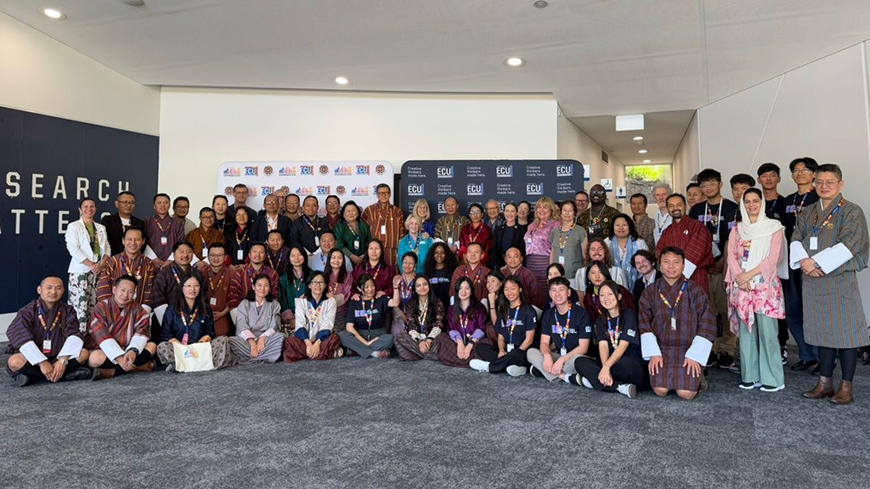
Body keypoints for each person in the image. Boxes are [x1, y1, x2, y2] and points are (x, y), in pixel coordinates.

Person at [792, 163, 869, 405]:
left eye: (830, 182)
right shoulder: (809, 210)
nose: (824, 186)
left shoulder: (851, 211)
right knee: (822, 332)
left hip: (838, 280)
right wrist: (804, 261)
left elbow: (851, 244)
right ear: (814, 184)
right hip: (813, 282)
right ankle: (825, 382)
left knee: (845, 334)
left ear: (840, 184)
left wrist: (816, 264)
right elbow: (796, 236)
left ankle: (846, 386)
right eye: (820, 182)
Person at [726, 188, 787, 392]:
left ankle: (773, 378)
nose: (752, 205)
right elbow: (731, 256)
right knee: (746, 332)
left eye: (756, 201)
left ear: (762, 203)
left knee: (768, 334)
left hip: (764, 286)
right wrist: (739, 278)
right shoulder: (738, 229)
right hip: (741, 285)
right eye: (748, 202)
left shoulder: (774, 227)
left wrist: (749, 274)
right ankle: (750, 376)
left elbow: (774, 258)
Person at [639, 247, 717, 400]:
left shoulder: (696, 291)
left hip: (689, 350)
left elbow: (708, 323)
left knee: (686, 394)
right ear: (660, 265)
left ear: (683, 266)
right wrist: (653, 353)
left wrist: (695, 355)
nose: (671, 266)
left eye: (676, 262)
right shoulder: (650, 291)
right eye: (666, 262)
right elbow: (643, 323)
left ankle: (699, 376)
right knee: (660, 390)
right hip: (661, 350)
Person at [689, 169, 739, 369]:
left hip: (726, 267)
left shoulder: (732, 208)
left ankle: (727, 349)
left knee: (727, 310)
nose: (708, 188)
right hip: (702, 268)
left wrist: (722, 264)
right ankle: (707, 348)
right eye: (704, 185)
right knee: (704, 310)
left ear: (720, 184)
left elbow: (735, 241)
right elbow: (693, 240)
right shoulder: (696, 210)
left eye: (712, 183)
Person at [6, 276, 91, 386]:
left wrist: (63, 361)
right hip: (34, 359)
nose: (53, 292)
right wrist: (41, 362)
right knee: (14, 362)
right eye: (49, 288)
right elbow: (20, 336)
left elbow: (74, 334)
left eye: (58, 288)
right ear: (39, 290)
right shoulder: (27, 311)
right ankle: (63, 376)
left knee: (84, 353)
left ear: (63, 290)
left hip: (58, 356)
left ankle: (35, 377)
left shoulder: (68, 310)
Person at [575, 280, 648, 398]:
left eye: (610, 294)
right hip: (611, 365)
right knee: (579, 362)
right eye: (602, 295)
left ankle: (593, 382)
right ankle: (619, 387)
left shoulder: (629, 315)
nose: (606, 298)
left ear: (618, 296)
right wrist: (605, 368)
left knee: (624, 364)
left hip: (630, 365)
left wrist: (606, 367)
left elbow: (623, 345)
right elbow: (603, 346)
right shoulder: (600, 320)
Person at [783, 157, 820, 372]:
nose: (800, 173)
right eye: (796, 170)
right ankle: (807, 355)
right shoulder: (788, 201)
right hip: (791, 262)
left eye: (805, 170)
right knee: (793, 311)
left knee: (813, 311)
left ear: (813, 174)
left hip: (813, 262)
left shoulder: (820, 196)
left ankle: (823, 356)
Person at [87, 275, 158, 381]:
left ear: (134, 294)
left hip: (128, 348)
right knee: (94, 358)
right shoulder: (101, 307)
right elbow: (101, 334)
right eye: (123, 290)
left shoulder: (138, 309)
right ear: (114, 289)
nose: (125, 295)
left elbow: (142, 332)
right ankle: (139, 367)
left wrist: (132, 350)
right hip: (105, 350)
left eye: (130, 292)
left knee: (152, 346)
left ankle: (113, 371)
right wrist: (118, 357)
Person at [157, 275, 233, 371]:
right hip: (180, 349)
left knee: (223, 340)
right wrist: (181, 346)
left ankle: (209, 365)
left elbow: (210, 332)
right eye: (188, 286)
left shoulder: (206, 308)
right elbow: (166, 334)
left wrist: (201, 343)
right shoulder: (172, 309)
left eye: (196, 286)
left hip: (201, 348)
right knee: (162, 347)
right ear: (182, 288)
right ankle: (180, 365)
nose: (192, 289)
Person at [526, 277, 591, 383]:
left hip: (574, 357)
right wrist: (547, 356)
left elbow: (583, 348)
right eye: (554, 290)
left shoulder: (581, 314)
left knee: (578, 360)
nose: (557, 294)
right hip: (558, 355)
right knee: (531, 352)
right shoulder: (548, 314)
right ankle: (563, 376)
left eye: (561, 289)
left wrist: (562, 359)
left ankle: (545, 372)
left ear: (568, 292)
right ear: (550, 294)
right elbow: (544, 342)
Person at [757, 162, 790, 365]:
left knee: (778, 305)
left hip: (779, 263)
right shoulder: (754, 202)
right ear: (759, 180)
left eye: (772, 175)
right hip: (754, 266)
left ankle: (782, 344)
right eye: (764, 176)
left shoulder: (786, 204)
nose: (768, 179)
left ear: (778, 178)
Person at [469, 276, 536, 376]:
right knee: (480, 347)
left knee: (516, 354)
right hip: (507, 351)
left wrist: (515, 354)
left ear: (520, 289)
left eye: (513, 289)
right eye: (506, 289)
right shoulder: (503, 310)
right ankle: (515, 367)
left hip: (522, 351)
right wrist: (501, 350)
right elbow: (500, 337)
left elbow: (529, 340)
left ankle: (490, 367)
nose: (509, 292)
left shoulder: (528, 311)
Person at [66, 197, 111, 331]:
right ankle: (78, 335)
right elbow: (73, 248)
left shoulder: (101, 227)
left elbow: (107, 247)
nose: (89, 209)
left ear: (95, 209)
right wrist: (91, 264)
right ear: (80, 209)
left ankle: (93, 333)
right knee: (80, 305)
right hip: (81, 271)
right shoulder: (74, 226)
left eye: (92, 206)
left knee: (95, 303)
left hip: (98, 271)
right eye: (85, 206)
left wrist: (102, 264)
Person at [656, 194, 714, 294]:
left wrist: (676, 277)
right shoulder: (666, 231)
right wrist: (671, 276)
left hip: (696, 276)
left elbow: (695, 253)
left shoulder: (697, 226)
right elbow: (660, 253)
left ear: (685, 206)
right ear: (668, 209)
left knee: (698, 306)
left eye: (679, 205)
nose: (675, 208)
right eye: (671, 206)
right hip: (671, 279)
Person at [283, 271, 343, 362]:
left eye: (321, 282)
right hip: (305, 341)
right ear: (309, 285)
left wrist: (317, 344)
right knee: (289, 341)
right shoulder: (301, 301)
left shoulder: (330, 301)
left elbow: (328, 323)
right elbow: (300, 323)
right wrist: (308, 344)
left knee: (334, 338)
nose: (318, 285)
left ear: (325, 285)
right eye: (314, 282)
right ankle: (324, 354)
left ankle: (306, 354)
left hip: (322, 341)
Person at [150, 241, 206, 336]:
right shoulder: (164, 274)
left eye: (189, 251)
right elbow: (157, 299)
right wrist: (170, 321)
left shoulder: (198, 274)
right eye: (181, 251)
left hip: (193, 320)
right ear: (173, 254)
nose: (185, 254)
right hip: (167, 321)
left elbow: (203, 298)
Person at [339, 273, 400, 358]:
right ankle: (374, 353)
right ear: (359, 288)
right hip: (360, 335)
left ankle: (357, 351)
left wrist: (395, 287)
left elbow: (395, 303)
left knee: (390, 339)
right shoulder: (355, 302)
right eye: (367, 287)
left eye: (372, 286)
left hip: (378, 335)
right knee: (343, 335)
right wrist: (365, 342)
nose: (370, 289)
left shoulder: (380, 298)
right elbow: (349, 327)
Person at [96, 227, 156, 311]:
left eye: (137, 239)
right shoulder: (112, 262)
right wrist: (110, 310)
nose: (133, 243)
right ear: (123, 241)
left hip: (139, 313)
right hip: (113, 312)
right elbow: (103, 288)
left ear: (143, 241)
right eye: (129, 239)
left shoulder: (149, 264)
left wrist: (142, 314)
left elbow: (150, 291)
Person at [228, 274, 284, 364]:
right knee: (230, 341)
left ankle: (249, 357)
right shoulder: (245, 304)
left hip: (266, 340)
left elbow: (275, 325)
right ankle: (264, 356)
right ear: (253, 287)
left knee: (280, 337)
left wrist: (262, 338)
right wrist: (253, 343)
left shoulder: (274, 304)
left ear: (270, 288)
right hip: (247, 341)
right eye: (259, 285)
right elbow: (241, 325)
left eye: (266, 285)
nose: (262, 289)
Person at [436, 277, 491, 368]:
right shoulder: (452, 309)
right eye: (460, 288)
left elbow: (482, 327)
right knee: (442, 338)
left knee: (487, 343)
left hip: (474, 343)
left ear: (472, 291)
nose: (463, 291)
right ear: (457, 291)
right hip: (457, 343)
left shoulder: (479, 307)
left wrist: (470, 344)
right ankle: (472, 362)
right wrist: (460, 343)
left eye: (467, 288)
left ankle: (458, 361)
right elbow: (451, 328)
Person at [395, 275, 446, 361]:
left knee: (444, 338)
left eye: (425, 284)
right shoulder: (411, 304)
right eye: (418, 285)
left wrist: (429, 340)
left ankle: (416, 355)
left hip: (433, 339)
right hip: (417, 340)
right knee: (399, 337)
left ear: (429, 285)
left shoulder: (437, 302)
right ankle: (428, 355)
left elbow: (439, 323)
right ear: (415, 289)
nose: (422, 288)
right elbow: (410, 325)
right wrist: (420, 341)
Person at [362, 184, 404, 268]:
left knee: (391, 275)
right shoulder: (369, 210)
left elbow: (402, 233)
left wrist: (399, 253)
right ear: (377, 195)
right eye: (380, 193)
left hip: (391, 251)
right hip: (373, 251)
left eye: (386, 192)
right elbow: (363, 233)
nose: (383, 195)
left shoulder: (397, 211)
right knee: (374, 275)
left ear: (390, 194)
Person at [227, 243, 280, 310]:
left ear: (265, 256)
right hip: (242, 313)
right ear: (249, 255)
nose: (257, 255)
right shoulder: (240, 273)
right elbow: (233, 296)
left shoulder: (272, 274)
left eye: (261, 252)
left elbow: (275, 297)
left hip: (266, 314)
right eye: (254, 252)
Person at [523, 196, 560, 289]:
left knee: (546, 290)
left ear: (551, 209)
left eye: (545, 207)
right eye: (539, 207)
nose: (541, 209)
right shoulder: (531, 225)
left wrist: (551, 268)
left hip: (545, 264)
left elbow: (555, 248)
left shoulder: (556, 224)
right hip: (530, 264)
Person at [144, 193, 186, 268]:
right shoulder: (147, 222)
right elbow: (143, 242)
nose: (162, 205)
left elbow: (181, 243)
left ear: (169, 205)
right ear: (154, 206)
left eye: (166, 203)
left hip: (172, 262)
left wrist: (170, 260)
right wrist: (153, 258)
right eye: (159, 203)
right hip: (151, 261)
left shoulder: (177, 223)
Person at [550, 200, 588, 282]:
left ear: (575, 214)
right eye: (564, 210)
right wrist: (550, 271)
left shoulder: (580, 231)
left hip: (575, 276)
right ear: (560, 213)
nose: (567, 213)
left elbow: (585, 255)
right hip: (557, 276)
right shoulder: (555, 232)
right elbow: (552, 253)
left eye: (570, 210)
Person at [609, 213, 649, 286]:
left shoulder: (639, 243)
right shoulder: (607, 243)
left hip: (638, 283)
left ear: (630, 227)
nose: (621, 228)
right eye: (617, 225)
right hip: (612, 285)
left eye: (624, 225)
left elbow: (647, 264)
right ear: (613, 227)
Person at [101, 191, 145, 256]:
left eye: (131, 203)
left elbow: (142, 243)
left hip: (133, 260)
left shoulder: (139, 222)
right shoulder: (108, 220)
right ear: (117, 204)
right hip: (113, 260)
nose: (128, 205)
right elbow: (104, 242)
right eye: (125, 202)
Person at [204, 243, 234, 337]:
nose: (216, 258)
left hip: (225, 315)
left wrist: (222, 313)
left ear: (225, 257)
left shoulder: (232, 274)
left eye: (219, 255)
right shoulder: (201, 273)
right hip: (204, 315)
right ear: (208, 257)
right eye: (213, 255)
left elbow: (234, 298)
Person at [278, 246, 312, 326]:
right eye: (293, 255)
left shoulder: (312, 275)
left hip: (309, 317)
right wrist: (290, 319)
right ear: (289, 258)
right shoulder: (284, 278)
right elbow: (282, 299)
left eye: (299, 255)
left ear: (304, 256)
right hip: (290, 321)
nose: (296, 258)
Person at [333, 200, 371, 269]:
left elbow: (369, 241)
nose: (351, 213)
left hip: (363, 260)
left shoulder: (363, 225)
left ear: (358, 212)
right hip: (345, 260)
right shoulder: (339, 227)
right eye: (348, 211)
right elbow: (339, 244)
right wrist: (351, 255)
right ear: (343, 214)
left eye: (353, 210)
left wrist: (365, 254)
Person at [424, 241, 458, 313]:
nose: (439, 255)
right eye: (436, 253)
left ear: (446, 254)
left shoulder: (452, 270)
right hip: (432, 310)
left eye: (442, 253)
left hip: (448, 309)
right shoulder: (428, 272)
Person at [391, 253, 420, 332]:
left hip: (416, 316)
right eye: (405, 262)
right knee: (397, 335)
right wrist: (401, 315)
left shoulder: (419, 280)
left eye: (411, 263)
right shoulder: (396, 279)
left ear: (415, 265)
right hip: (398, 315)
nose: (407, 265)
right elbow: (392, 300)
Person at [326, 249, 354, 331]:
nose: (336, 260)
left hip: (342, 312)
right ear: (329, 260)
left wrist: (331, 298)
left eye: (340, 258)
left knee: (339, 334)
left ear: (343, 260)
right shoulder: (323, 275)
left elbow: (346, 294)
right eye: (333, 258)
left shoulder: (348, 275)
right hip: (326, 312)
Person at [492, 203, 526, 270]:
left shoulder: (522, 230)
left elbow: (523, 251)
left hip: (517, 267)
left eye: (512, 211)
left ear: (516, 213)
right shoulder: (498, 229)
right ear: (504, 213)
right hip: (501, 267)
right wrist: (502, 266)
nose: (509, 214)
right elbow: (495, 250)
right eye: (507, 211)